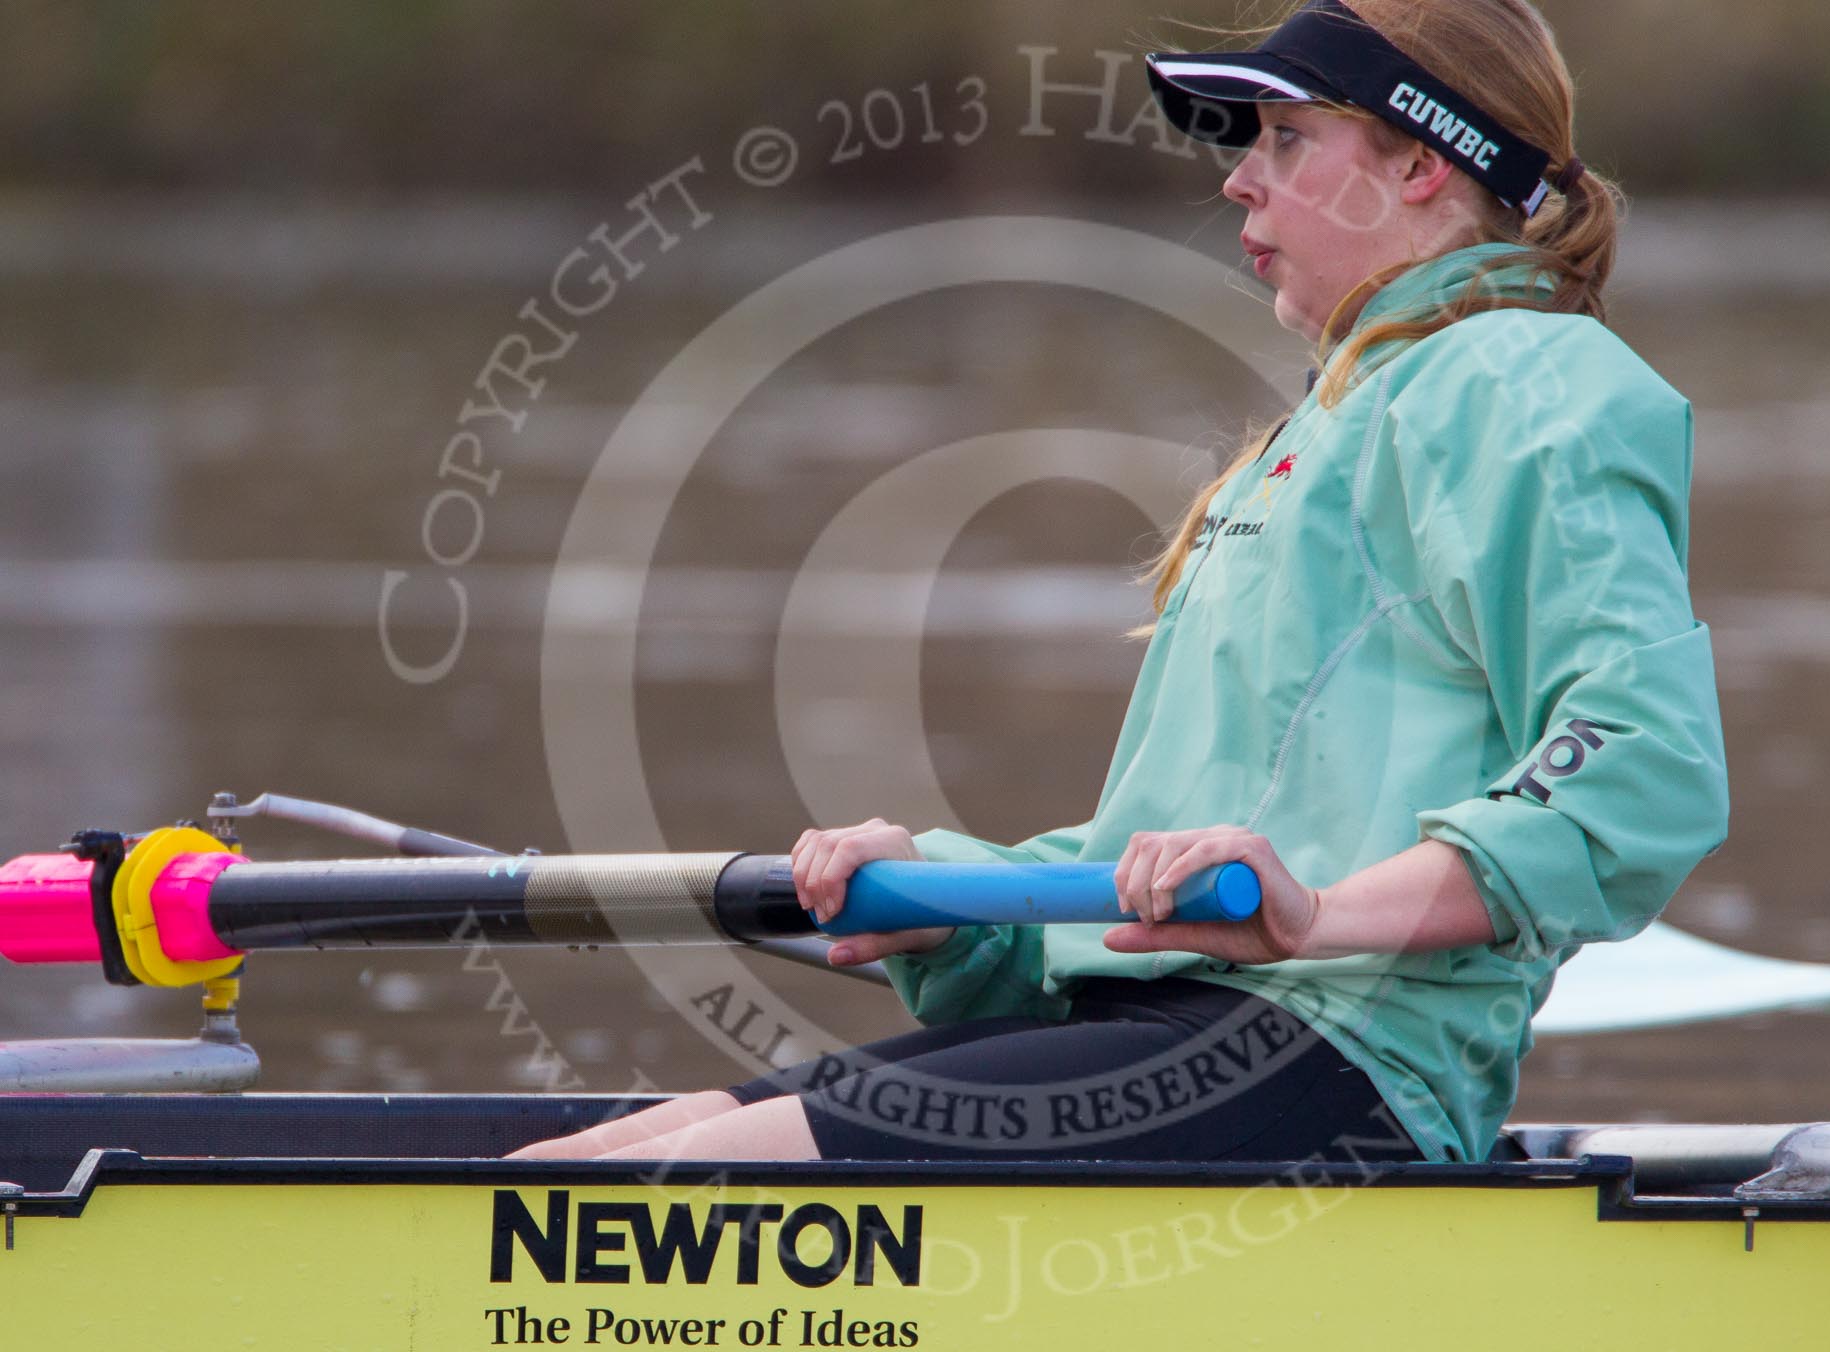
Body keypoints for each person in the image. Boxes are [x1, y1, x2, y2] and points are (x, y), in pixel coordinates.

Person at [511, 0, 1727, 1165]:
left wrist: (1312, 917)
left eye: (1288, 138)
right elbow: (1151, 873)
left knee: (628, 1191)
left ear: (1417, 162)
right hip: (1174, 1036)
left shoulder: (1525, 380)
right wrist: (948, 894)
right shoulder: (1333, 425)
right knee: (595, 1155)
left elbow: (1641, 766)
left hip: (1337, 1068)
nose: (1239, 180)